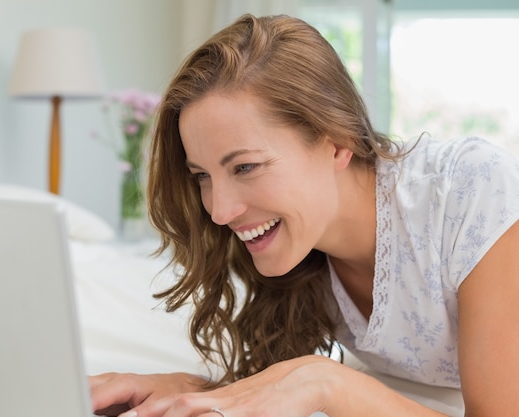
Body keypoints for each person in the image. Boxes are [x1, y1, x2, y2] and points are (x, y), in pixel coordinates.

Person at [89, 13, 519, 417]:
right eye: (202, 175)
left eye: (245, 167)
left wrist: (330, 384)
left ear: (337, 141)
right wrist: (197, 393)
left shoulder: (472, 191)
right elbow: (283, 385)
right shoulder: (302, 249)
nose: (220, 211)